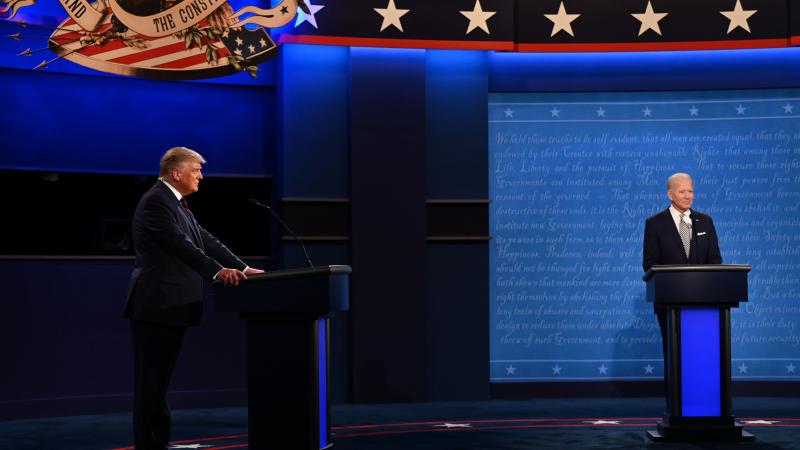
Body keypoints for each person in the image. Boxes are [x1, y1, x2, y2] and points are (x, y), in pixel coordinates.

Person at [123, 146, 263, 450]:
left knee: (158, 384)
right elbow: (181, 245)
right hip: (156, 305)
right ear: (177, 173)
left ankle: (158, 443)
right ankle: (149, 446)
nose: (201, 176)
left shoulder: (176, 203)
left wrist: (242, 267)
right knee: (151, 384)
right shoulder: (156, 203)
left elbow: (205, 239)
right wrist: (218, 272)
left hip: (170, 306)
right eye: (196, 170)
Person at [642, 172, 722, 409]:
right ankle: (676, 409)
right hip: (670, 304)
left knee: (703, 359)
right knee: (676, 357)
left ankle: (705, 406)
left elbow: (715, 260)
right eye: (682, 191)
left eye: (691, 191)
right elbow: (650, 263)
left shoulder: (705, 222)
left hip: (705, 305)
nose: (688, 196)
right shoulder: (655, 223)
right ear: (670, 194)